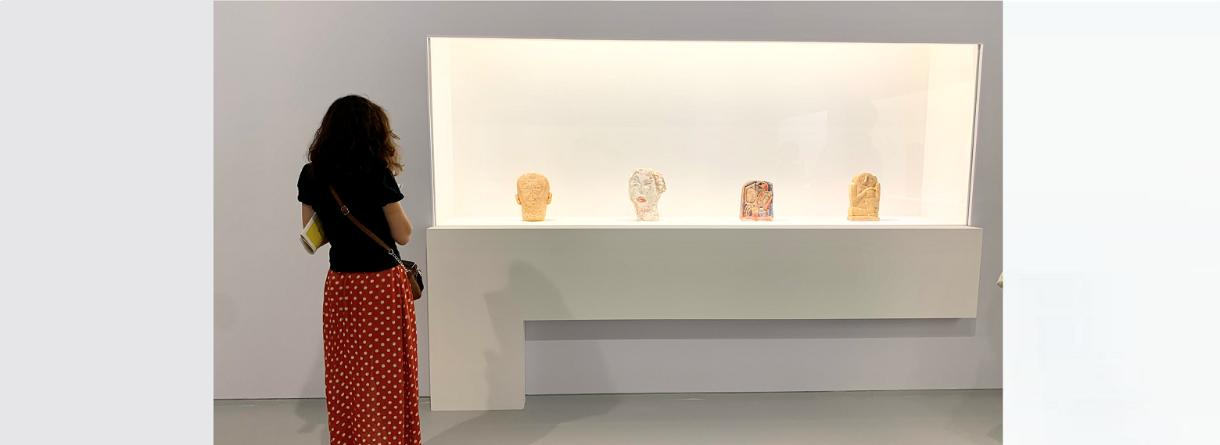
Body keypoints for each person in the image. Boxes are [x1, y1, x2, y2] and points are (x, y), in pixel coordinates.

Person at [296, 95, 420, 445]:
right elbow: (403, 235)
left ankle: (353, 437)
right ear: (374, 132)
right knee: (388, 372)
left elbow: (313, 234)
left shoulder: (312, 174)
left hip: (343, 286)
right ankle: (390, 437)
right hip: (382, 285)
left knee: (347, 371)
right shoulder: (377, 172)